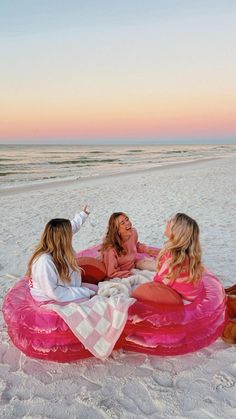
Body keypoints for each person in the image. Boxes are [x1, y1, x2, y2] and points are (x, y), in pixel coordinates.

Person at [27, 206, 97, 302]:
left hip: (68, 287)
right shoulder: (44, 261)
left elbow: (73, 226)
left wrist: (83, 214)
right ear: (63, 238)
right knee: (94, 299)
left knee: (98, 290)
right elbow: (54, 292)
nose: (71, 235)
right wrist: (85, 292)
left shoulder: (56, 247)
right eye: (69, 234)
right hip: (52, 298)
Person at [153, 213, 204, 301]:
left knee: (140, 291)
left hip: (182, 300)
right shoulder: (187, 254)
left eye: (170, 221)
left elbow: (158, 283)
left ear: (177, 231)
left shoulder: (171, 255)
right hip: (194, 296)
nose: (167, 222)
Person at [101, 212, 159, 279]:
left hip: (134, 264)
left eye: (127, 219)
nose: (128, 223)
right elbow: (112, 273)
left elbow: (135, 245)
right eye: (122, 223)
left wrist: (146, 249)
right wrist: (132, 274)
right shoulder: (110, 249)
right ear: (117, 230)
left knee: (159, 267)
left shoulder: (133, 233)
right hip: (122, 273)